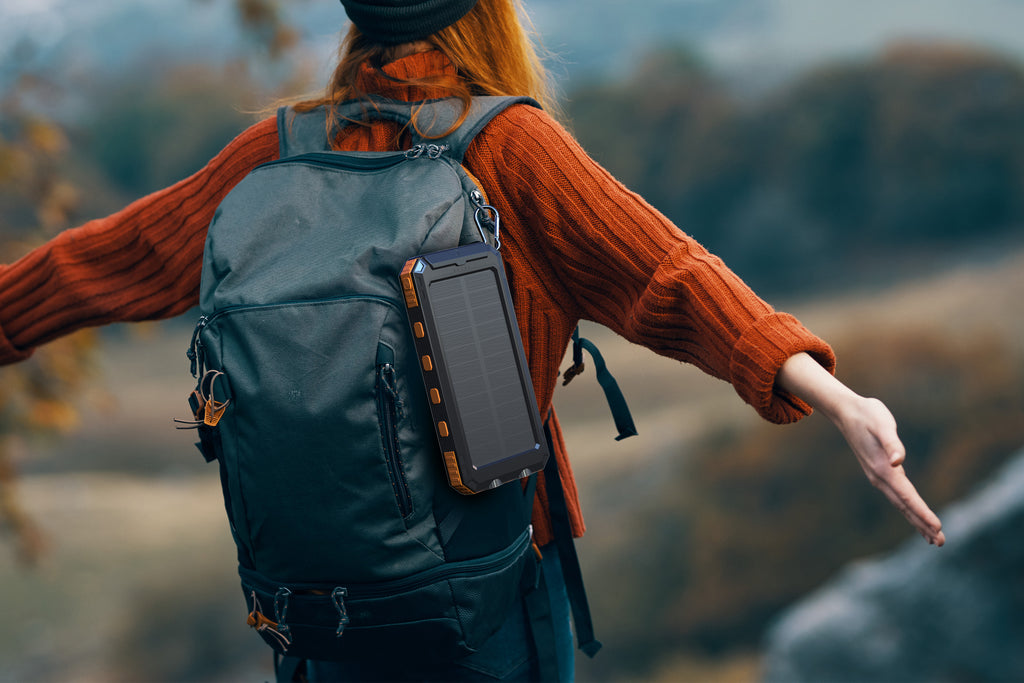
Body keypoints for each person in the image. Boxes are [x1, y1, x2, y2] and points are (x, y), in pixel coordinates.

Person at [0, 0, 945, 680]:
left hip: (314, 600)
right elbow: (671, 276)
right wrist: (837, 396)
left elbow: (114, 258)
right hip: (486, 594)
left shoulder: (280, 153)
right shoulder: (508, 147)